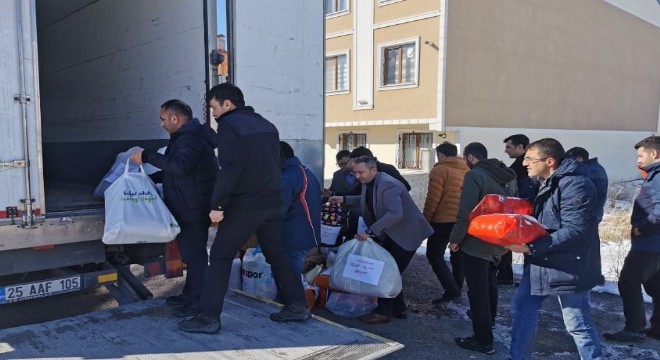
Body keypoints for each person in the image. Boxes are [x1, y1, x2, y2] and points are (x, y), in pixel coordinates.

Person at [178, 83, 310, 334]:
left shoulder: (229, 125)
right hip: (273, 202)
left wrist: (217, 205)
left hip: (246, 205)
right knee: (277, 254)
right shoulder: (266, 124)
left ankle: (208, 318)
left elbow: (231, 169)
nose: (213, 114)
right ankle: (297, 306)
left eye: (214, 107)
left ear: (227, 104)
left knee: (219, 256)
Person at [507, 138, 604, 360]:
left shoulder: (576, 185)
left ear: (549, 161)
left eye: (530, 159)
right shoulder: (543, 182)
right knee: (521, 312)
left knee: (576, 323)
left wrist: (530, 247)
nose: (524, 164)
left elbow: (576, 229)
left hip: (570, 265)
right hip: (541, 262)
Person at [129, 99, 218, 318]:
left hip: (193, 209)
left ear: (174, 118)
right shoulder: (187, 137)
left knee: (195, 257)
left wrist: (147, 156)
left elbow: (179, 166)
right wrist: (150, 178)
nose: (161, 124)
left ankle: (197, 303)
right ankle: (189, 296)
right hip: (189, 207)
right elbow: (181, 170)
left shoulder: (190, 138)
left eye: (162, 119)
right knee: (191, 256)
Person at [329, 156, 433, 324]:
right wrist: (344, 199)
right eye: (355, 173)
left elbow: (395, 213)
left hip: (407, 234)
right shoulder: (369, 182)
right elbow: (367, 200)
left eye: (361, 172)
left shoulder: (388, 184)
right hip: (393, 233)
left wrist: (370, 232)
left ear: (373, 170)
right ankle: (399, 309)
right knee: (392, 270)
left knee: (388, 272)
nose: (358, 176)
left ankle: (384, 313)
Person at [448, 142, 517, 355]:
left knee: (477, 292)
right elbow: (513, 209)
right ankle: (490, 321)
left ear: (470, 157)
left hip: (476, 241)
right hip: (499, 239)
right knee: (489, 284)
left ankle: (483, 340)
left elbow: (465, 213)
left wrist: (455, 239)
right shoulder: (508, 175)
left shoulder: (475, 176)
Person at [604, 136, 660, 342]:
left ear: (654, 154)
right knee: (656, 287)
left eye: (641, 155)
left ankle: (634, 328)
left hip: (650, 243)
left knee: (629, 281)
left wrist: (642, 229)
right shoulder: (654, 175)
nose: (639, 160)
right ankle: (657, 328)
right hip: (654, 245)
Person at [422, 141, 469, 303]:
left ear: (440, 155)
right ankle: (456, 286)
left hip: (442, 220)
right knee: (458, 255)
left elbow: (433, 199)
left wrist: (425, 219)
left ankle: (451, 290)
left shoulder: (439, 170)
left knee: (434, 255)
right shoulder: (467, 169)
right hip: (463, 220)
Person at [498, 134, 539, 285]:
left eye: (509, 147)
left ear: (520, 147)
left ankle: (526, 280)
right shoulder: (517, 166)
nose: (506, 150)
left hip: (525, 213)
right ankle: (508, 276)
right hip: (522, 213)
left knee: (527, 247)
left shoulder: (521, 169)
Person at [279, 141, 321, 276]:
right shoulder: (306, 172)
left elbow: (277, 209)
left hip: (293, 238)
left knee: (290, 279)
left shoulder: (288, 177)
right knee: (294, 277)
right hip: (306, 236)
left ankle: (291, 297)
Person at [566, 146, 609, 224]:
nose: (567, 163)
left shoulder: (588, 170)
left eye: (569, 160)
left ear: (579, 159)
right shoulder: (596, 167)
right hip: (594, 213)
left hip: (588, 216)